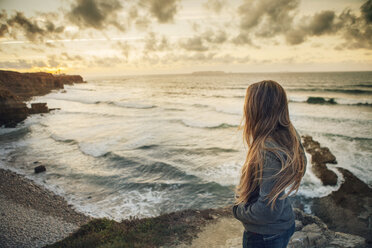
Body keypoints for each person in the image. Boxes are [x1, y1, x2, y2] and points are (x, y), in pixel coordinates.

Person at [232, 80, 307, 248]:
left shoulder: (268, 150)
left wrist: (238, 210)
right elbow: (282, 186)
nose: (245, 110)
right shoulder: (289, 135)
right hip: (282, 225)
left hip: (264, 236)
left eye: (248, 104)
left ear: (257, 109)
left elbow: (267, 212)